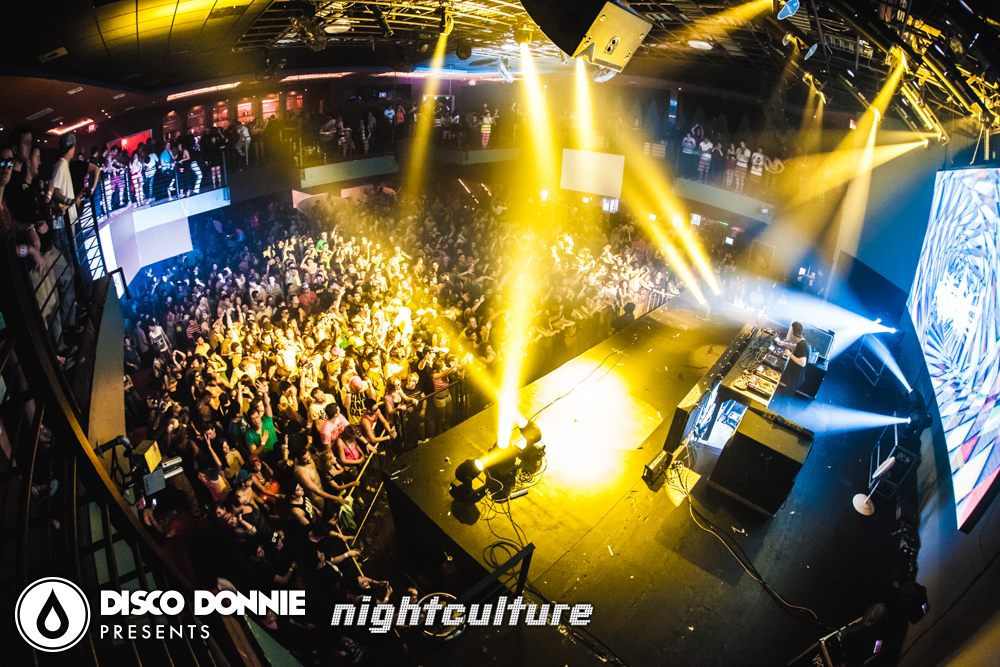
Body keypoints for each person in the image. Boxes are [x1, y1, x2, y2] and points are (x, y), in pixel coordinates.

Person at [778, 321, 809, 396]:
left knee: (787, 396)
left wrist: (790, 355)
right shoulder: (802, 342)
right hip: (795, 376)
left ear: (793, 332)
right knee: (786, 393)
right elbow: (795, 347)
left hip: (796, 378)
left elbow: (802, 363)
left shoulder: (802, 345)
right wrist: (783, 344)